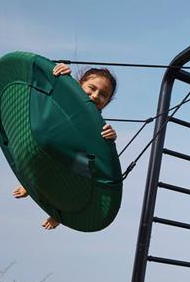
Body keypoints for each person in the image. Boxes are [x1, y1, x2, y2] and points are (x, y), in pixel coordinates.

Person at [12, 63, 118, 230]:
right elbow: (45, 85)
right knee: (42, 149)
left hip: (71, 162)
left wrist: (112, 135)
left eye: (103, 95)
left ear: (107, 102)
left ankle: (59, 213)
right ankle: (29, 183)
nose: (95, 95)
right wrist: (62, 76)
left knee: (83, 174)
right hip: (48, 144)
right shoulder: (64, 97)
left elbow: (100, 145)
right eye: (91, 88)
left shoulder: (96, 122)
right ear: (79, 84)